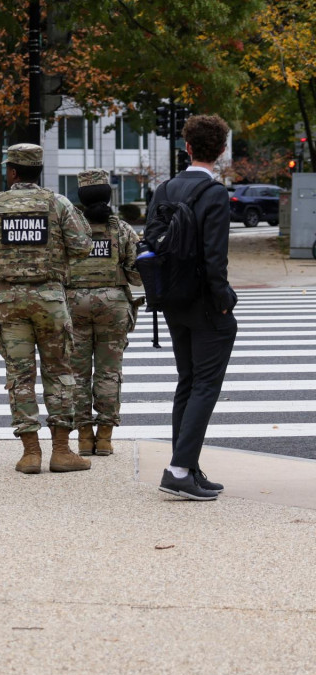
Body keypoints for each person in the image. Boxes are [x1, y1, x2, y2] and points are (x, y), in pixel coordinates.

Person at [0, 143, 93, 475]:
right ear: (39, 170)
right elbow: (82, 245)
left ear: (12, 171)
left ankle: (31, 453)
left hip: (10, 300)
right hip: (50, 297)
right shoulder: (57, 203)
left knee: (19, 376)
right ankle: (62, 451)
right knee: (60, 372)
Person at [150, 114, 236, 501]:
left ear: (186, 147)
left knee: (187, 381)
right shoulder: (214, 194)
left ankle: (188, 465)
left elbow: (151, 243)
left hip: (172, 300)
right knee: (205, 385)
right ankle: (180, 469)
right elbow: (215, 258)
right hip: (204, 302)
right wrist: (224, 301)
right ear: (220, 151)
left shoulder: (164, 189)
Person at [66, 169, 142, 457]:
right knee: (109, 371)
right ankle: (106, 436)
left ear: (81, 198)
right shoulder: (121, 229)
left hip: (74, 304)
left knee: (77, 373)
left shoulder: (70, 228)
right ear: (109, 195)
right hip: (113, 304)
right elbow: (136, 276)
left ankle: (84, 436)